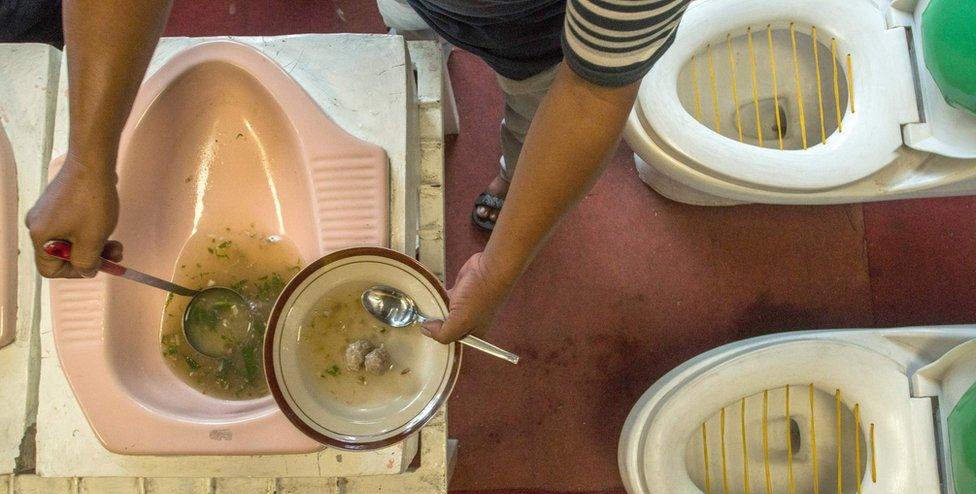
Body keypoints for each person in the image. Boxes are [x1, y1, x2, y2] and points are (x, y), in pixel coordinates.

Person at [25, 0, 689, 344]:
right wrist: (88, 157)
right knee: (414, 46)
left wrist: (501, 263)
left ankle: (511, 175)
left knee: (532, 112)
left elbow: (593, 93)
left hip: (544, 41)